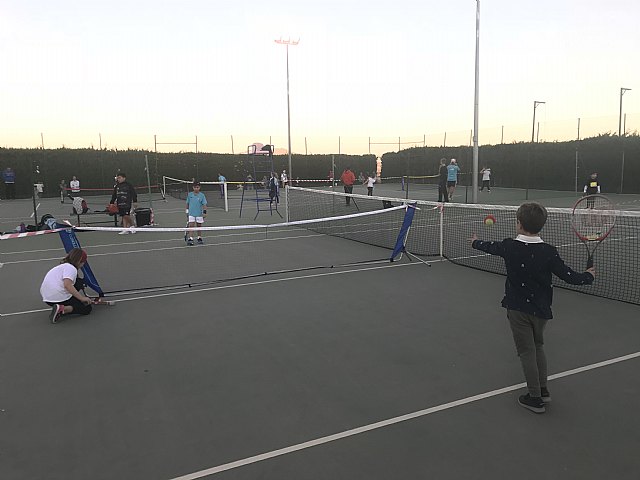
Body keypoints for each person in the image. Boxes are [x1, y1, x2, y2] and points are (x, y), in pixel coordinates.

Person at [470, 202, 595, 414]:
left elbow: (490, 247)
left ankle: (535, 397)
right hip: (541, 311)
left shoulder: (510, 246)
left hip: (518, 310)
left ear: (519, 224)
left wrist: (474, 242)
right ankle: (543, 389)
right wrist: (588, 276)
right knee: (537, 346)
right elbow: (570, 277)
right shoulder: (548, 252)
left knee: (526, 351)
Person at [40, 248, 93, 323]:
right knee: (87, 309)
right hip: (57, 297)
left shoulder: (63, 266)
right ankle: (63, 309)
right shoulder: (71, 268)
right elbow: (67, 285)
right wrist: (82, 298)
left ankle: (62, 306)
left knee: (79, 282)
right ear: (80, 262)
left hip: (47, 297)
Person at [185, 181, 207, 246]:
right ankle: (190, 238)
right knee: (191, 226)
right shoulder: (190, 195)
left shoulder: (202, 195)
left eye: (197, 187)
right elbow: (187, 203)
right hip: (191, 213)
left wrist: (205, 212)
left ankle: (199, 238)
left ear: (199, 187)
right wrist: (187, 211)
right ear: (193, 187)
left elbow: (204, 204)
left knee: (199, 226)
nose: (196, 189)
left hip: (199, 214)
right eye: (195, 187)